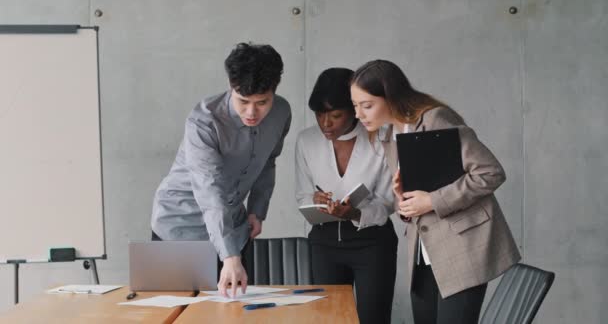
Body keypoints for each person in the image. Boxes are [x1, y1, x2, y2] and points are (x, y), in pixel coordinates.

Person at [350, 60, 521, 324]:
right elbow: (422, 191)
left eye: (367, 105)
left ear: (391, 97)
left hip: (462, 248)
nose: (359, 114)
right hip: (424, 254)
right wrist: (403, 201)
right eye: (355, 106)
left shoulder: (435, 119)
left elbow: (490, 172)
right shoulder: (389, 136)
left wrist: (431, 201)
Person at [150, 42, 291, 298]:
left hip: (232, 224)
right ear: (230, 86)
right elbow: (210, 190)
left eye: (262, 102)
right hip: (179, 224)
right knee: (177, 313)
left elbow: (268, 161)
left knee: (230, 310)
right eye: (243, 101)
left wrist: (257, 210)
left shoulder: (281, 112)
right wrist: (230, 255)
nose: (251, 112)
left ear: (274, 91)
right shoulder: (204, 121)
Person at [295, 68, 397, 324]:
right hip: (323, 244)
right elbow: (301, 195)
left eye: (335, 115)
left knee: (373, 319)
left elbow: (388, 202)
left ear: (354, 110)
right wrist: (314, 200)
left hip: (372, 244)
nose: (325, 123)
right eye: (319, 114)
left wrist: (354, 213)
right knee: (328, 320)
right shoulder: (306, 140)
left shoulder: (382, 139)